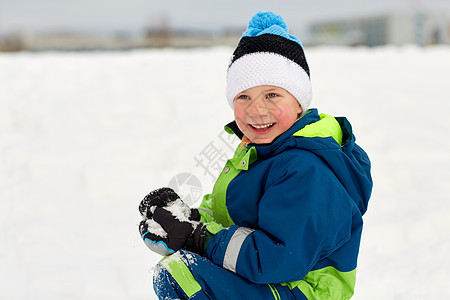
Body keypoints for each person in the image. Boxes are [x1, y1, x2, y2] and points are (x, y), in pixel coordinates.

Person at [138, 11, 373, 300]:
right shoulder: (258, 148)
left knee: (181, 274)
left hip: (299, 288)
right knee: (179, 268)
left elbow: (277, 258)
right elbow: (233, 216)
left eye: (272, 95)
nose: (257, 110)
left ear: (299, 102)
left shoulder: (306, 168)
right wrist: (185, 219)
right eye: (243, 97)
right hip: (273, 278)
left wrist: (197, 236)